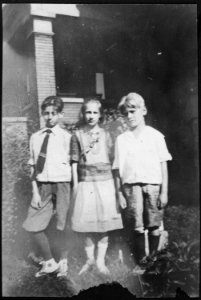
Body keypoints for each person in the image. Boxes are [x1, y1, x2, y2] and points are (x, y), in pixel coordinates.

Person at [113, 92, 172, 274]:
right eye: (126, 113)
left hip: (153, 186)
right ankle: (141, 261)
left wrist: (164, 192)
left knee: (154, 226)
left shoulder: (155, 136)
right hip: (131, 188)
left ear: (143, 110)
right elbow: (117, 169)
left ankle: (154, 260)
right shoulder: (122, 140)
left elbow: (163, 165)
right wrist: (120, 193)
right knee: (137, 227)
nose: (129, 116)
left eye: (133, 111)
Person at [70, 98, 123, 275]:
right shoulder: (77, 135)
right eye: (88, 112)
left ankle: (100, 261)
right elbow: (74, 162)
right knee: (85, 223)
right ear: (83, 114)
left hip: (106, 183)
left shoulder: (108, 135)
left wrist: (117, 188)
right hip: (86, 183)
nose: (91, 116)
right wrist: (76, 185)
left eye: (94, 112)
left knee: (104, 224)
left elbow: (114, 161)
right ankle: (89, 259)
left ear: (100, 115)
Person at [22, 96, 71, 278]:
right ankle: (49, 262)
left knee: (62, 224)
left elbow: (73, 165)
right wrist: (35, 191)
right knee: (32, 224)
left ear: (60, 115)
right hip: (43, 186)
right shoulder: (35, 138)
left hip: (63, 184)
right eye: (46, 113)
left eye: (53, 113)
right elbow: (33, 167)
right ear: (42, 114)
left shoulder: (67, 137)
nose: (49, 117)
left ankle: (63, 261)